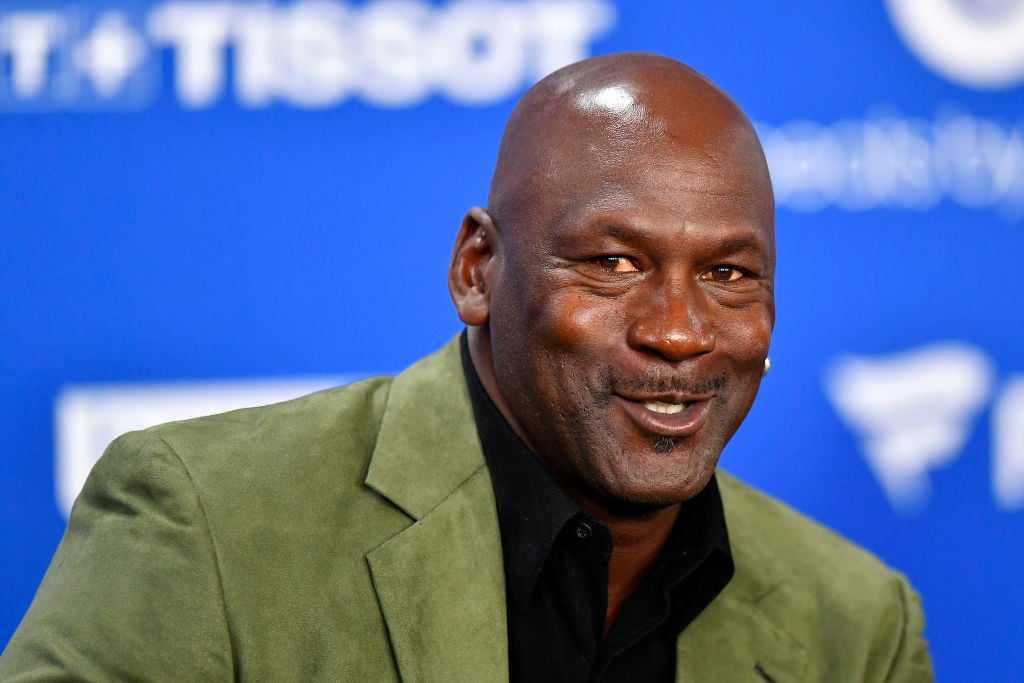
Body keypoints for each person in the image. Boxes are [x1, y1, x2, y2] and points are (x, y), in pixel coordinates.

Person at [0, 52, 933, 681]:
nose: (681, 332)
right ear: (478, 269)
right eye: (613, 263)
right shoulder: (203, 524)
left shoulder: (855, 626)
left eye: (730, 274)